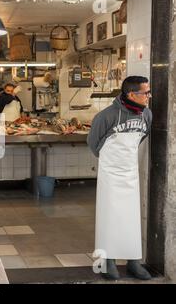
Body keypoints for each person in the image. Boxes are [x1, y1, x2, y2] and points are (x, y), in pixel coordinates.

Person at [87, 76, 153, 280]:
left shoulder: (147, 115)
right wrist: (110, 161)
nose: (149, 96)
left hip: (131, 175)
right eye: (145, 93)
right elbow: (93, 142)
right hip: (110, 176)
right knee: (109, 219)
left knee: (131, 220)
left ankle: (134, 262)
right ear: (131, 94)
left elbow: (143, 136)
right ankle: (108, 262)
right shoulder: (106, 116)